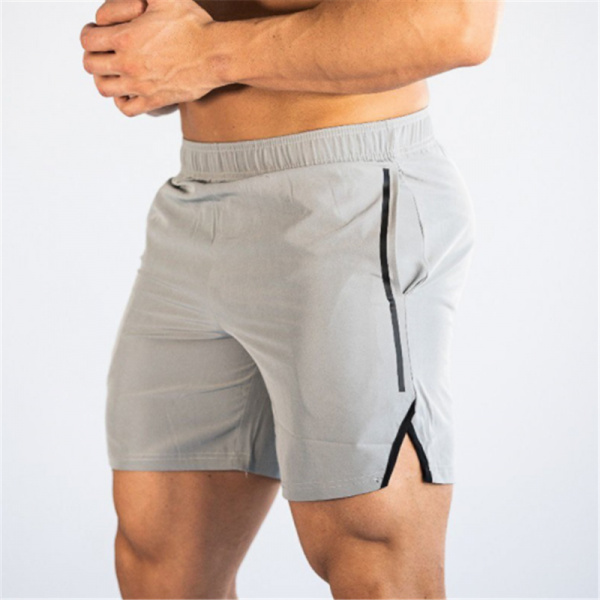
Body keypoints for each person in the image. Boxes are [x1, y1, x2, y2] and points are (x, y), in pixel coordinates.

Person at [80, 1, 502, 598]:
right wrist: (141, 51)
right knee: (160, 563)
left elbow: (455, 24)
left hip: (347, 195)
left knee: (372, 555)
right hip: (195, 201)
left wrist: (203, 53)